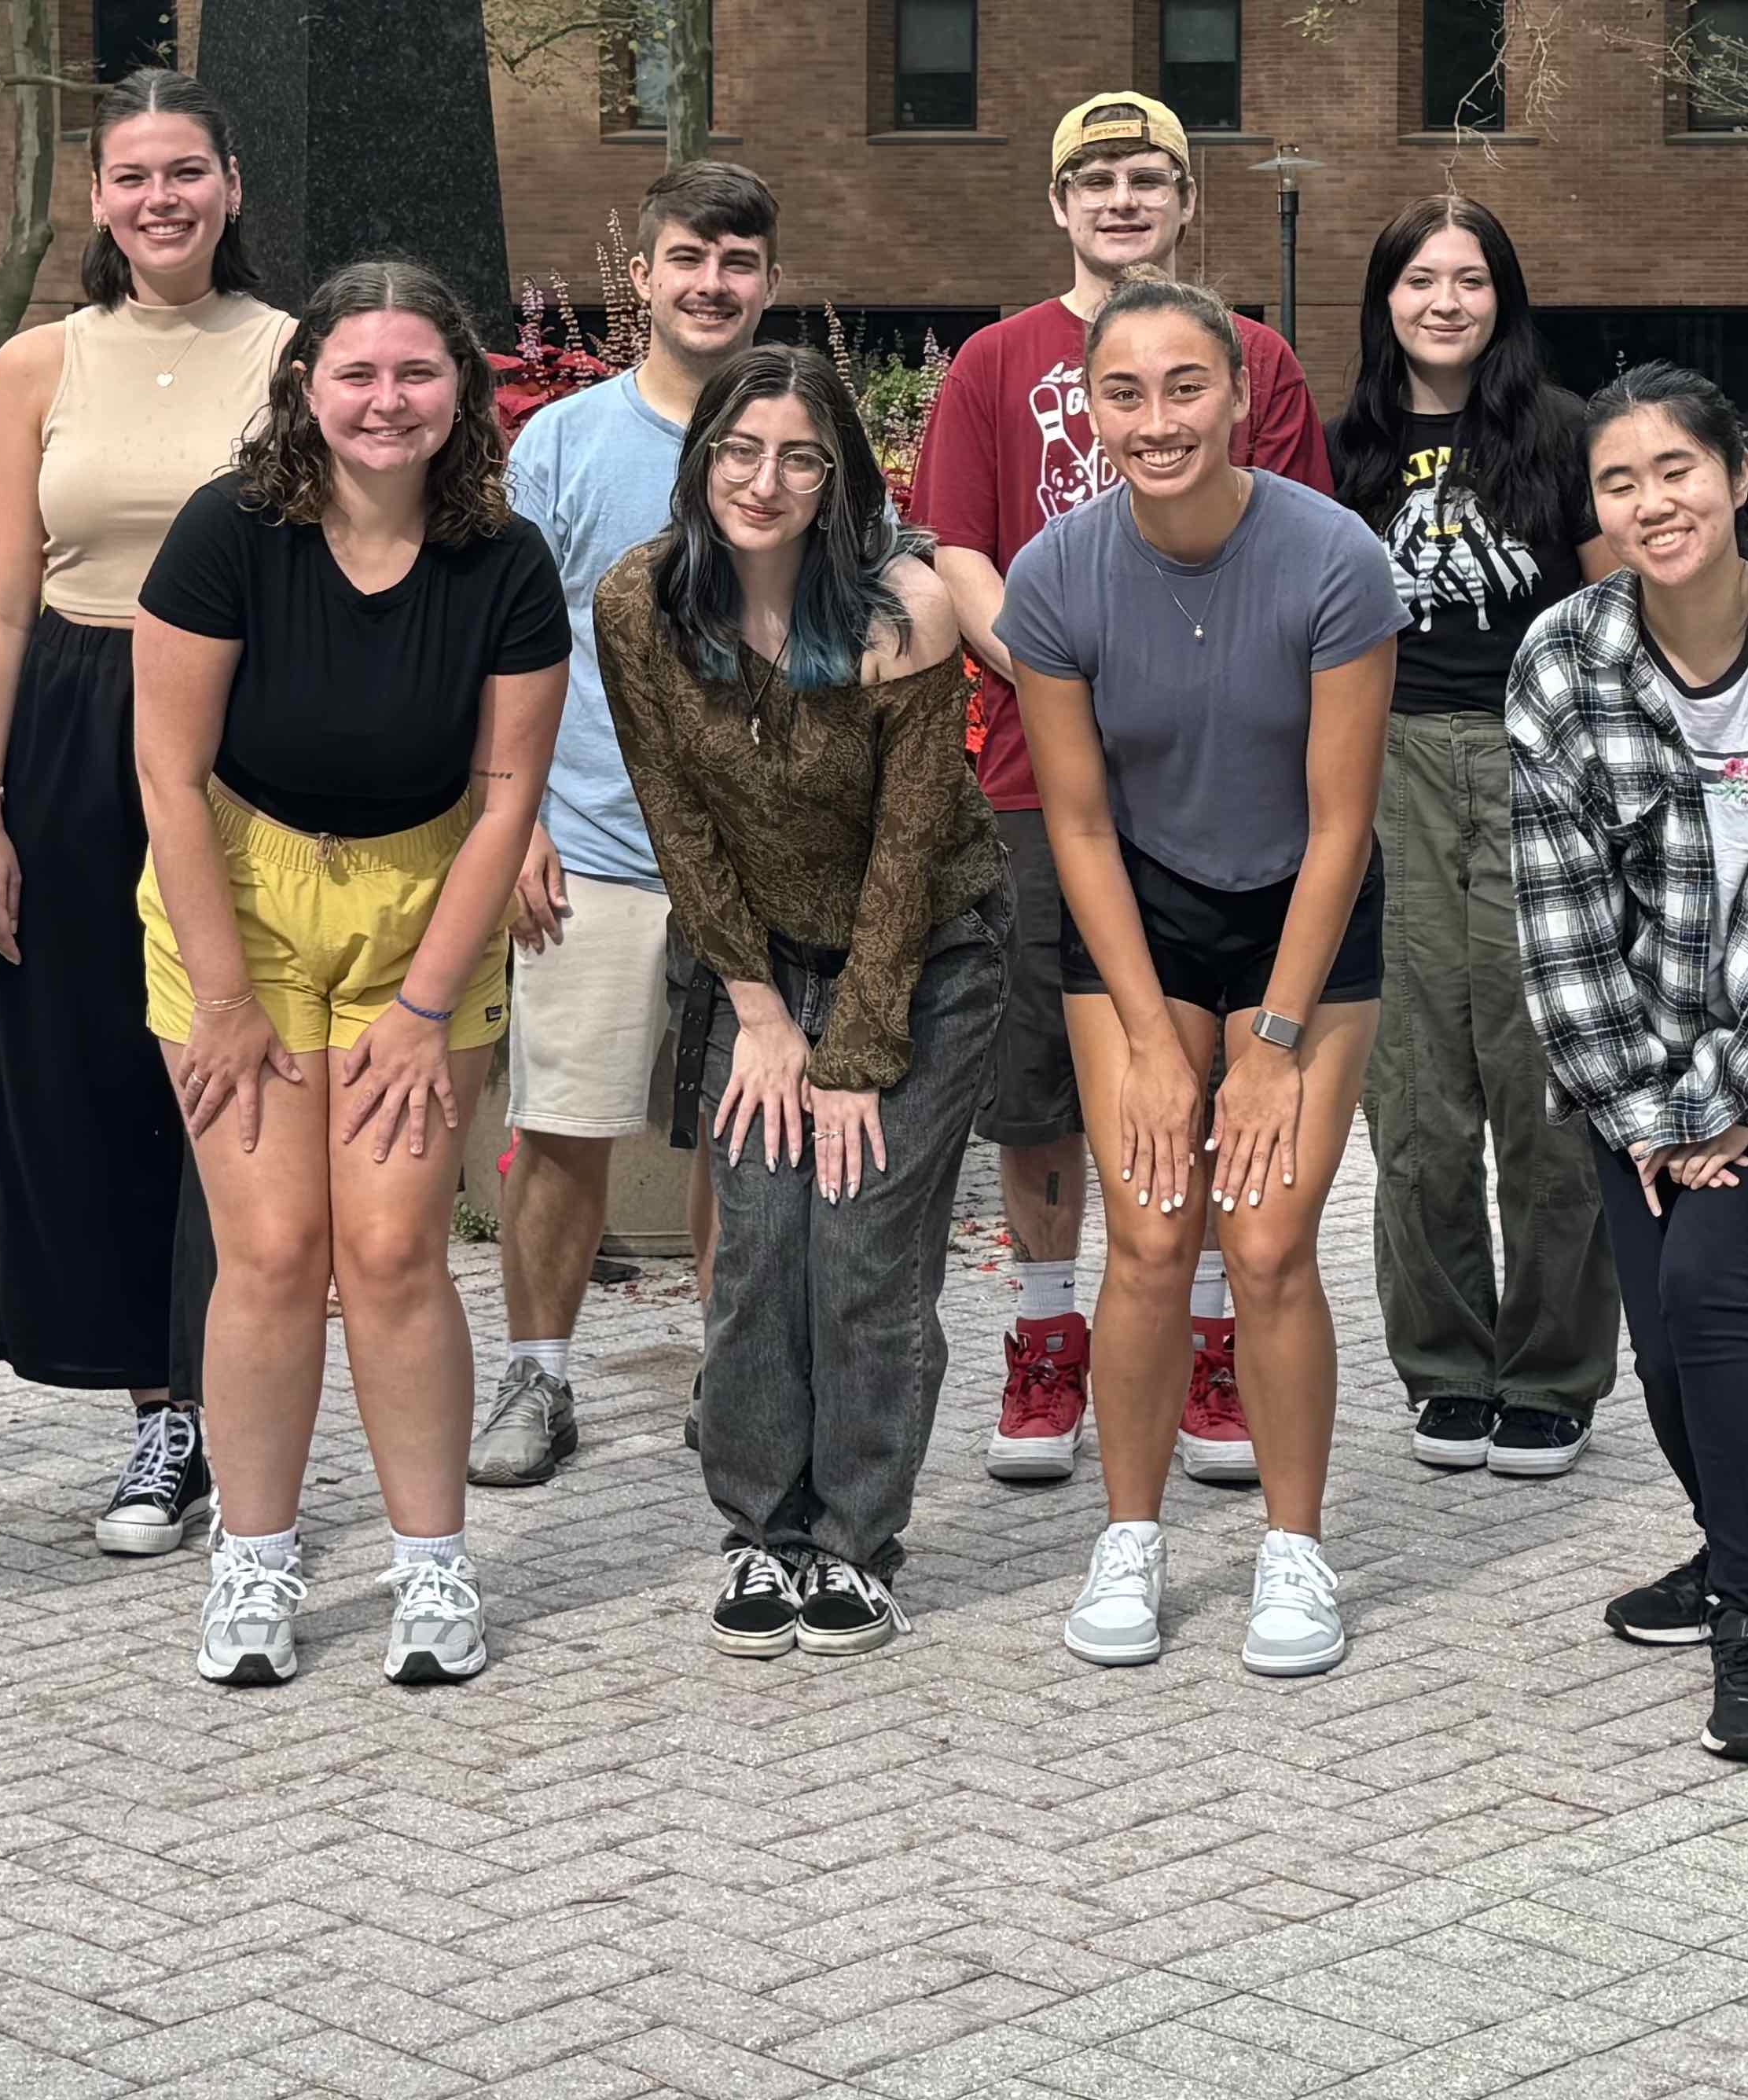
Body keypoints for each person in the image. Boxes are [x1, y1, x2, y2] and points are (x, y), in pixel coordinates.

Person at [134, 261, 565, 1689]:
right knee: (269, 1253)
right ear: (305, 388)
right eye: (358, 374)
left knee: (390, 1251)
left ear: (463, 392)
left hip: (424, 906)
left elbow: (507, 797)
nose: (388, 402)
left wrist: (429, 1004)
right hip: (238, 904)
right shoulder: (227, 533)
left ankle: (432, 1569)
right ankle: (253, 1563)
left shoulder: (503, 558)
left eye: (417, 374)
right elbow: (168, 773)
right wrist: (231, 995)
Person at [910, 90, 1335, 1491]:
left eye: (1147, 176)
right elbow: (960, 552)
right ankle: (1047, 1339)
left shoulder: (1253, 358)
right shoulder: (993, 361)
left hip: (1230, 779)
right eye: (1092, 178)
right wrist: (1057, 678)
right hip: (1042, 776)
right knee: (1045, 1081)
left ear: (1183, 199)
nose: (1120, 198)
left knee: (1209, 1072)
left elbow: (1282, 542)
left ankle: (1211, 1335)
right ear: (1057, 203)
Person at [1001, 275, 1405, 1679]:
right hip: (1143, 912)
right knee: (1156, 1229)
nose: (1159, 419)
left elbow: (1344, 822)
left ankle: (1295, 1551)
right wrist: (1157, 1047)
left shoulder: (1335, 558)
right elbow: (1079, 822)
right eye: (1127, 392)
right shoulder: (1055, 574)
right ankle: (1132, 1536)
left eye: (1188, 388)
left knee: (1272, 1237)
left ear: (1239, 397)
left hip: (1306, 906)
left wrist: (1274, 1043)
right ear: (1090, 407)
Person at [1507, 362, 1748, 1762]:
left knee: (1706, 1287)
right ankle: (1723, 1541)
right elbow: (1560, 924)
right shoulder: (1564, 658)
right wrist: (1651, 1114)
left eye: (1677, 469)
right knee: (1661, 1335)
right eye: (1621, 482)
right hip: (1630, 1063)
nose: (1652, 501)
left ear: (1741, 477)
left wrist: (1730, 1111)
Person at [597, 346, 1004, 1658]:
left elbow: (909, 848)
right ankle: (761, 1534)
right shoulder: (641, 604)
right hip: (754, 962)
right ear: (701, 455)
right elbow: (679, 827)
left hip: (926, 954)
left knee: (864, 1235)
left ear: (840, 480)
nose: (763, 482)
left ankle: (855, 1543)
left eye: (799, 457)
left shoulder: (907, 609)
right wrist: (763, 1019)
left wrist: (857, 1054)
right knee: (764, 1240)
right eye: (739, 450)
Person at [0, 70, 284, 1558]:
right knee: (91, 1068)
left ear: (230, 186)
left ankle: (245, 1397)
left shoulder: (300, 354)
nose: (161, 199)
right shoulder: (38, 362)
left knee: (232, 1066)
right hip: (82, 721)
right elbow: (5, 606)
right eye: (133, 175)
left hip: (247, 724)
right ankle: (162, 1412)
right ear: (97, 199)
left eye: (187, 172)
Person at [468, 161, 774, 1489]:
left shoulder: (793, 433)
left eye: (740, 262)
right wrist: (513, 815)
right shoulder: (564, 445)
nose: (714, 284)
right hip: (591, 851)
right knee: (564, 1133)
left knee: (746, 1142)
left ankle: (734, 1373)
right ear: (640, 275)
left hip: (761, 867)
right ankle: (537, 1381)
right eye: (689, 258)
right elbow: (505, 643)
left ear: (770, 281)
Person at [1325, 195, 1621, 1481]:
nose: (1445, 302)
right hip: (1385, 762)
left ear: (1504, 296)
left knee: (1545, 1082)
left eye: (1470, 280)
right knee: (1416, 1096)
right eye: (1419, 280)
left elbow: (1622, 598)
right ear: (1384, 299)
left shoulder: (1562, 435)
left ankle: (1552, 1370)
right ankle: (1443, 1367)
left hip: (1537, 756)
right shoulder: (1340, 449)